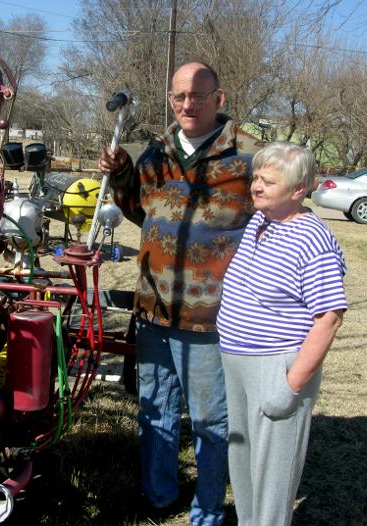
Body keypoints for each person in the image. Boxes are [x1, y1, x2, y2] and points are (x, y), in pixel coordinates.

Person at [98, 62, 262, 526]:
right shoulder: (156, 155)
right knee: (155, 412)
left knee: (211, 423)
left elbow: (279, 219)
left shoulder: (250, 157)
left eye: (197, 95)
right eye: (178, 97)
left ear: (219, 98)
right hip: (153, 309)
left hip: (211, 317)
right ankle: (158, 496)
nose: (187, 105)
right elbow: (139, 211)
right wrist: (124, 171)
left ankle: (208, 508)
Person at [216, 142, 348, 526]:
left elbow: (329, 319)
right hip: (237, 362)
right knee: (242, 464)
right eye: (256, 177)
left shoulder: (313, 240)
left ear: (298, 190)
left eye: (268, 181)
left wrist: (291, 385)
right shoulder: (262, 221)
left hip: (276, 366)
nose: (256, 186)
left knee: (272, 477)